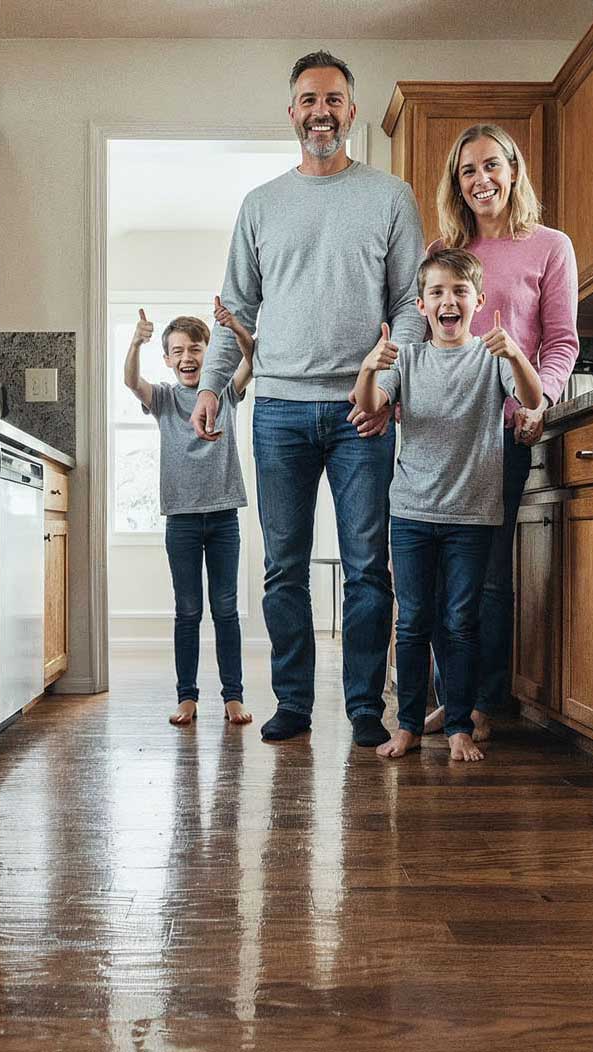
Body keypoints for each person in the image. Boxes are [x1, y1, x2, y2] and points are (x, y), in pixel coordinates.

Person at [190, 50, 426, 746]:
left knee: (364, 569)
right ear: (291, 112)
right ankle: (292, 702)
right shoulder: (261, 205)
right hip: (281, 411)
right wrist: (209, 386)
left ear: (350, 111)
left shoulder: (390, 196)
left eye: (333, 100)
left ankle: (362, 708)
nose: (320, 112)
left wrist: (385, 386)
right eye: (307, 100)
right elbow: (236, 307)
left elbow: (408, 308)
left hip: (364, 414)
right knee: (283, 568)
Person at [353, 248, 543, 762]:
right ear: (421, 305)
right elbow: (369, 405)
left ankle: (458, 724)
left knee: (460, 621)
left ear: (478, 301)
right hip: (412, 513)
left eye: (459, 292)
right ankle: (409, 724)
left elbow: (530, 397)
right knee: (413, 621)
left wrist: (516, 354)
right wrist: (370, 366)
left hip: (472, 516)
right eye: (437, 292)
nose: (448, 301)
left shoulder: (492, 357)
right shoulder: (407, 358)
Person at [423, 123, 579, 741]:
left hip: (503, 434)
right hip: (439, 439)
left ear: (513, 170)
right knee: (434, 573)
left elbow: (562, 342)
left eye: (491, 166)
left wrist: (543, 401)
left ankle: (486, 700)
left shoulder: (550, 246)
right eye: (468, 171)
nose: (481, 179)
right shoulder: (444, 249)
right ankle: (451, 699)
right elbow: (424, 336)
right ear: (456, 184)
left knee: (485, 575)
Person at [124, 305, 254, 728]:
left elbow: (251, 362)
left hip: (223, 516)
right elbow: (131, 381)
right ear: (167, 359)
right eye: (177, 351)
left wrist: (235, 326)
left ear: (208, 351)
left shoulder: (222, 393)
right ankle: (187, 697)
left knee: (226, 609)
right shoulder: (163, 398)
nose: (187, 357)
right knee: (187, 611)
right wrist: (135, 342)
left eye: (195, 349)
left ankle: (233, 697)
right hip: (180, 519)